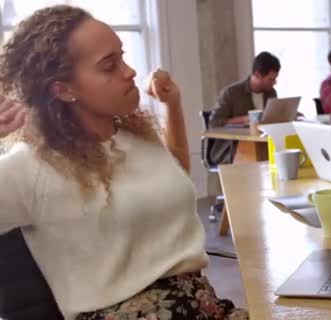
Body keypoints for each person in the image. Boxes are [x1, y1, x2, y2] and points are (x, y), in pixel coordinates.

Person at [0, 5, 248, 320]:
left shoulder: (134, 135)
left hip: (203, 307)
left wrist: (172, 105)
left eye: (123, 56)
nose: (129, 71)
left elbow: (173, 177)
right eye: (109, 65)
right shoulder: (31, 168)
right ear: (62, 89)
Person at [209, 51, 280, 127]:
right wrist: (244, 119)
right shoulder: (231, 93)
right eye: (271, 79)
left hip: (265, 138)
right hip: (238, 138)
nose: (274, 83)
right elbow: (214, 122)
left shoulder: (271, 92)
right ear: (257, 75)